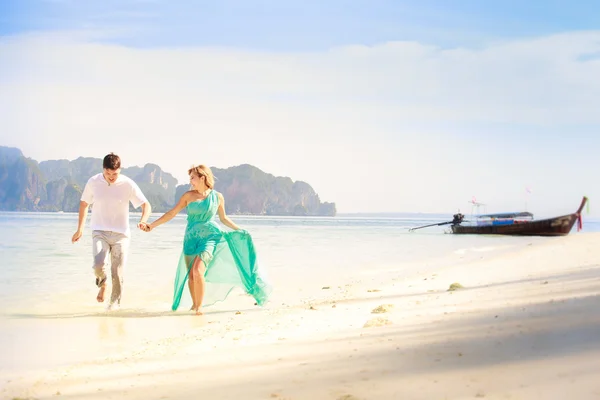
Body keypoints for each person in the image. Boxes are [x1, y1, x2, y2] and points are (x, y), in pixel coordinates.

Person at [140, 164, 271, 315]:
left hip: (210, 237)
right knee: (191, 275)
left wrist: (239, 230)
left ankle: (199, 308)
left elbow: (223, 218)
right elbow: (171, 213)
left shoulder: (217, 197)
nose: (190, 181)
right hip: (191, 238)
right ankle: (194, 305)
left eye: (193, 178)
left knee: (198, 270)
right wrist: (152, 226)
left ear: (202, 178)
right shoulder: (188, 196)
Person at [72, 153, 151, 310]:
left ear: (120, 170)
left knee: (118, 273)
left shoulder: (128, 184)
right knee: (98, 266)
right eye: (108, 173)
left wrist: (143, 220)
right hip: (99, 231)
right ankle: (103, 283)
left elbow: (146, 205)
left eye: (115, 174)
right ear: (103, 170)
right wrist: (79, 229)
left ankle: (113, 308)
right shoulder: (94, 182)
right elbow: (83, 204)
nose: (111, 177)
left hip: (121, 235)